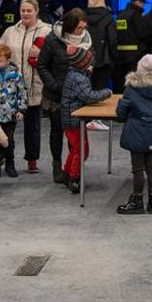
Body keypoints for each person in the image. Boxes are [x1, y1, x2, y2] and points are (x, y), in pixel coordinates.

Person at [37, 9, 92, 184]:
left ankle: (72, 168)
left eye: (83, 27)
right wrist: (53, 85)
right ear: (69, 26)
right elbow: (41, 65)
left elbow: (90, 59)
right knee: (57, 130)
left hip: (76, 96)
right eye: (78, 28)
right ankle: (57, 166)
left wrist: (88, 73)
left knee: (74, 134)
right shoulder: (53, 39)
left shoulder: (86, 39)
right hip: (55, 95)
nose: (81, 31)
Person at [0, 0, 47, 175]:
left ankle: (32, 160)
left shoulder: (46, 30)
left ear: (36, 11)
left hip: (34, 86)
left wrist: (40, 54)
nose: (25, 13)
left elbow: (55, 56)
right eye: (23, 10)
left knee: (33, 127)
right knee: (6, 128)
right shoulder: (10, 32)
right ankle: (5, 159)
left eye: (29, 10)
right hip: (10, 90)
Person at [113, 53, 152, 215]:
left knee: (137, 168)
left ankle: (137, 201)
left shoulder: (131, 89)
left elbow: (121, 113)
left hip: (136, 131)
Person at [59, 46, 112, 194]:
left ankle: (66, 172)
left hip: (71, 119)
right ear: (83, 64)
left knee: (77, 148)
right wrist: (106, 92)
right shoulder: (78, 79)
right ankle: (74, 178)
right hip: (74, 120)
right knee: (81, 150)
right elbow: (88, 96)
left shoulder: (76, 75)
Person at [0, 43, 26, 179]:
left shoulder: (16, 75)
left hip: (10, 113)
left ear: (8, 61)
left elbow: (22, 92)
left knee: (9, 140)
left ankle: (10, 163)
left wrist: (21, 109)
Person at [83, 0, 118, 132]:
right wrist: (114, 57)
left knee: (87, 89)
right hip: (104, 59)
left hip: (85, 59)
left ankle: (86, 117)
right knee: (100, 88)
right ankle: (96, 118)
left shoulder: (83, 17)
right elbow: (113, 40)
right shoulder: (108, 18)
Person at [112, 0, 148, 90]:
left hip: (120, 56)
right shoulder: (136, 15)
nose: (143, 6)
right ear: (137, 2)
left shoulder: (120, 15)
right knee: (133, 84)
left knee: (120, 84)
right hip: (134, 56)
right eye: (143, 4)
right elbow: (142, 34)